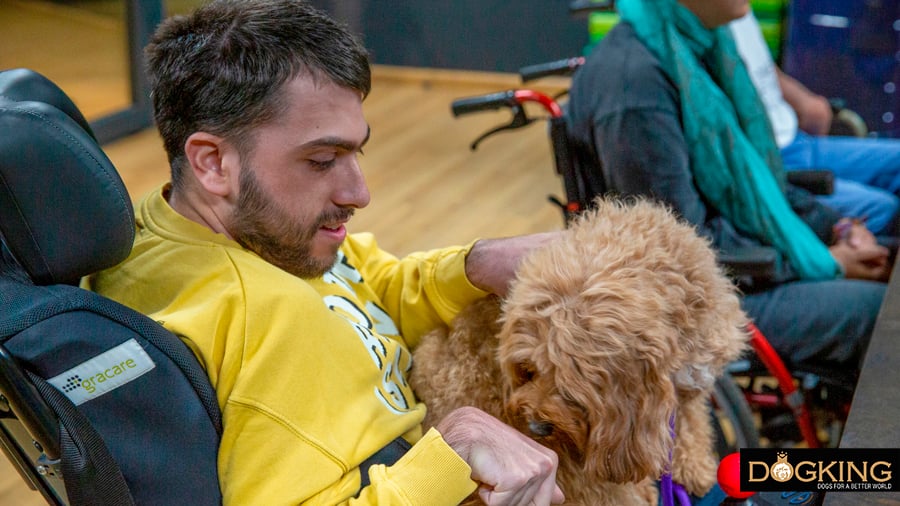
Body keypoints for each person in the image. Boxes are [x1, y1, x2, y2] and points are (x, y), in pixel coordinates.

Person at [84, 1, 567, 504]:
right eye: (321, 160)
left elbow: (364, 285)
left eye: (357, 151)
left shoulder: (184, 225)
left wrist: (471, 266)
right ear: (212, 163)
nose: (359, 193)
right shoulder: (268, 319)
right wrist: (456, 449)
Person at [565, 0, 889, 387]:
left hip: (740, 266)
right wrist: (828, 262)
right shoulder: (633, 88)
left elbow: (763, 186)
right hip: (694, 304)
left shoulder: (701, 49)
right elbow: (679, 250)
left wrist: (839, 227)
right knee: (886, 314)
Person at [729, 11, 900, 236]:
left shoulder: (735, 10)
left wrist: (805, 101)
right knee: (882, 209)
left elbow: (757, 63)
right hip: (766, 159)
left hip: (797, 139)